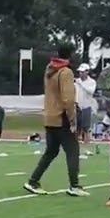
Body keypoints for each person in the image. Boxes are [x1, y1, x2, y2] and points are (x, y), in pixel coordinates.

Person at [23, 44, 89, 197]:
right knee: (73, 150)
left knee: (51, 151)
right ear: (70, 55)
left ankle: (33, 180)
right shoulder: (66, 72)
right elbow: (68, 98)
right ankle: (74, 185)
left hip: (50, 116)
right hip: (61, 117)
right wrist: (72, 119)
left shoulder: (50, 69)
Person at [74, 63, 97, 157]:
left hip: (86, 107)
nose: (81, 74)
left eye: (83, 72)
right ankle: (76, 149)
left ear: (87, 72)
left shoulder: (92, 82)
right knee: (76, 129)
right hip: (77, 107)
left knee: (86, 129)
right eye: (80, 72)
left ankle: (86, 149)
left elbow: (90, 91)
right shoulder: (76, 81)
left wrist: (81, 84)